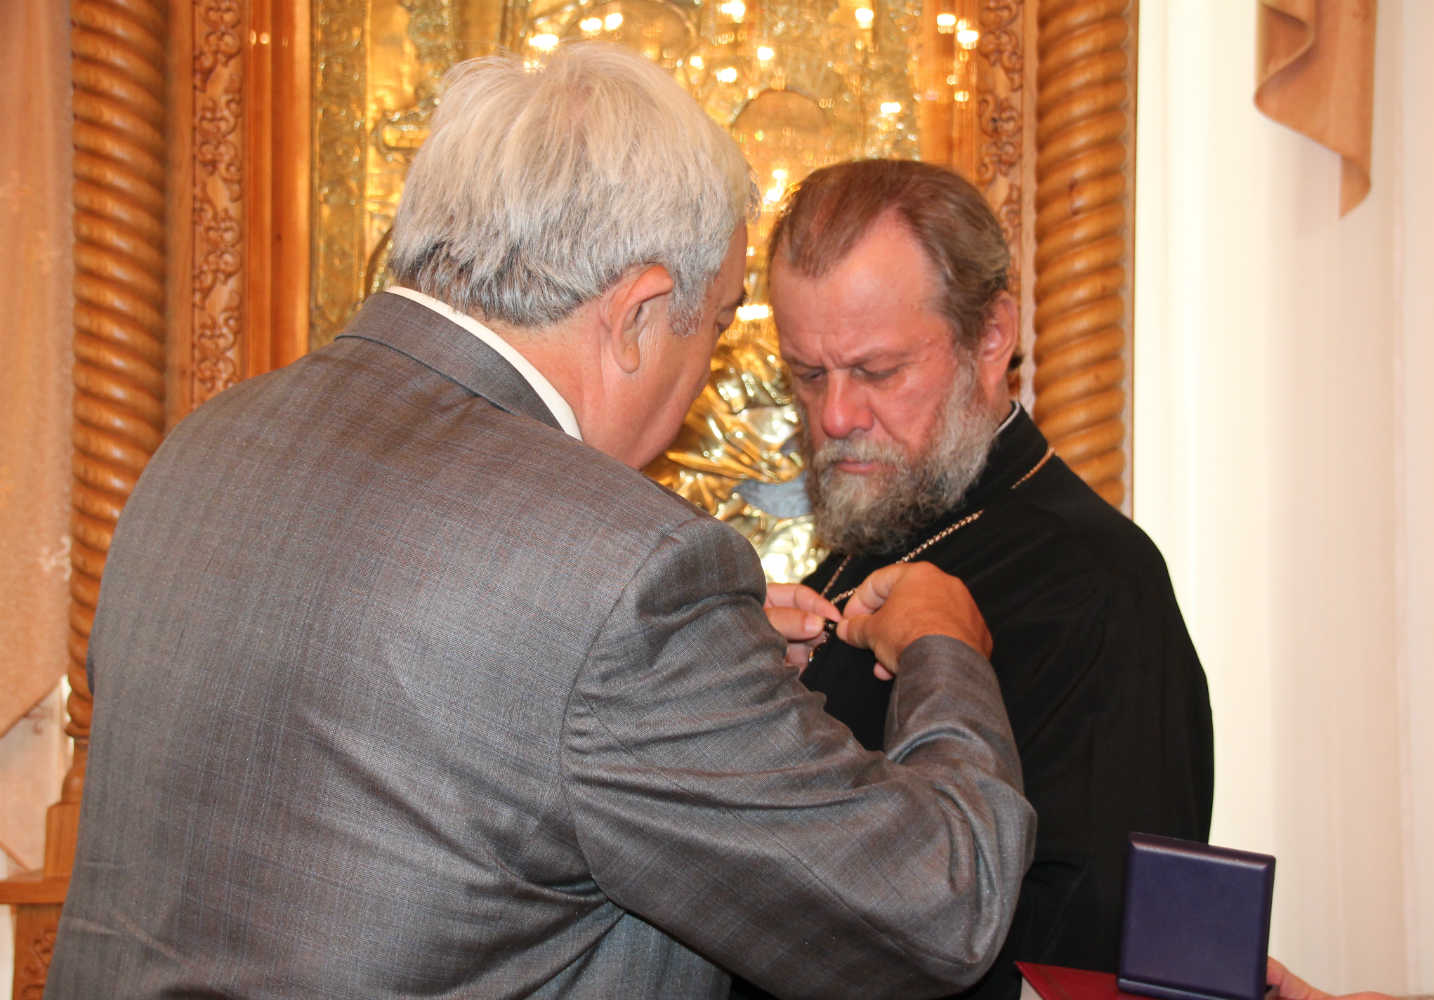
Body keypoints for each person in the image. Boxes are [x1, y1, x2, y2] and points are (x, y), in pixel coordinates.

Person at [44, 50, 1036, 999]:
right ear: (641, 313)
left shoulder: (203, 450)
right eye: (718, 323)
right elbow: (940, 910)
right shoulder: (623, 575)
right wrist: (943, 649)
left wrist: (707, 678)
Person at [752, 159, 1214, 999]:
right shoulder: (854, 558)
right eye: (808, 374)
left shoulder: (1095, 585)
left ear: (991, 337)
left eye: (877, 371)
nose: (836, 416)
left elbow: (1086, 960)